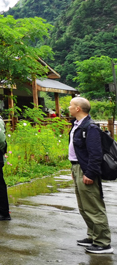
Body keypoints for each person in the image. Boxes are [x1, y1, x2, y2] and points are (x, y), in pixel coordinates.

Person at [69, 97, 112, 254]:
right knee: (83, 206)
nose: (69, 108)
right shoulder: (77, 125)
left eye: (71, 105)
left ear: (78, 109)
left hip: (86, 169)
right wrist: (74, 169)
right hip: (77, 167)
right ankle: (93, 235)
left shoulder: (90, 128)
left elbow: (95, 154)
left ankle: (103, 243)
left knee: (93, 206)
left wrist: (90, 173)